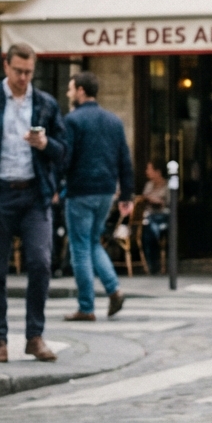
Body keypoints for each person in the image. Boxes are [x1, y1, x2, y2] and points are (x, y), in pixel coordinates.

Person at [0, 44, 67, 363]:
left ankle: (34, 336)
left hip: (35, 194)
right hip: (0, 192)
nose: (24, 78)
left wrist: (45, 143)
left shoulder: (45, 104)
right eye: (18, 71)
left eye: (29, 73)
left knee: (39, 262)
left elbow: (63, 150)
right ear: (5, 66)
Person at [61, 72, 133, 322]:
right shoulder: (113, 121)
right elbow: (125, 159)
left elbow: (65, 158)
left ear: (81, 90)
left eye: (71, 89)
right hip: (105, 191)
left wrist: (57, 185)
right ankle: (114, 289)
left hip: (81, 190)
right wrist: (127, 193)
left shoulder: (73, 120)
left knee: (79, 248)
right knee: (92, 242)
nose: (69, 93)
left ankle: (86, 306)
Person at [140, 161, 169, 274]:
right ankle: (151, 264)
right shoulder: (148, 185)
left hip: (163, 216)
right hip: (150, 216)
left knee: (150, 226)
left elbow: (169, 204)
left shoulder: (167, 185)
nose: (147, 172)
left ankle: (153, 264)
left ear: (158, 172)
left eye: (149, 169)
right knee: (147, 226)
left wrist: (157, 201)